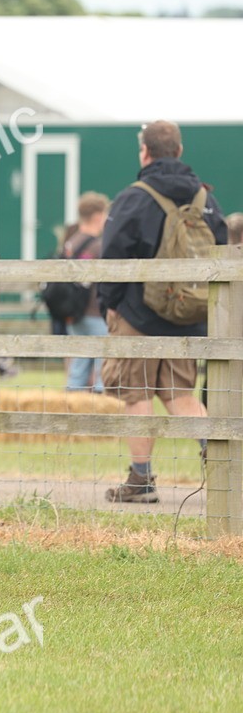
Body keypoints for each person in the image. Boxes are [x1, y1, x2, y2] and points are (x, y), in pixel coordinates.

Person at [99, 120, 228, 503]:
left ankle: (141, 480)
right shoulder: (207, 200)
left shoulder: (134, 198)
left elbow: (112, 257)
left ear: (145, 152)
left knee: (136, 395)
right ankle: (225, 466)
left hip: (137, 314)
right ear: (180, 151)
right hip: (187, 314)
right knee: (180, 394)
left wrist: (110, 303)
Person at [61, 192, 111, 393]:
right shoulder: (99, 246)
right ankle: (98, 413)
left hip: (74, 313)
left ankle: (71, 409)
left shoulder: (70, 243)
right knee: (102, 369)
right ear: (98, 215)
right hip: (96, 312)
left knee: (78, 367)